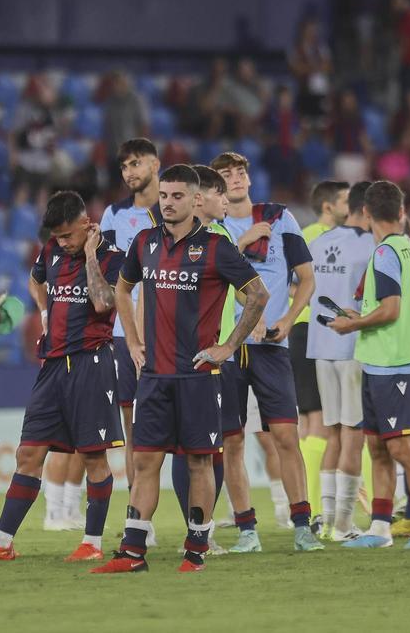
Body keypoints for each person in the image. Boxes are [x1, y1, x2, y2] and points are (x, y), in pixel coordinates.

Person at [91, 164, 268, 574]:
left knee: (199, 464)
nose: (168, 203)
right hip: (153, 375)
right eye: (164, 196)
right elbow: (122, 287)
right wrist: (133, 340)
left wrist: (227, 346)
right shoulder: (144, 242)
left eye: (176, 196)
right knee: (146, 462)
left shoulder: (216, 247)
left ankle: (196, 551)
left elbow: (257, 294)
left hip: (198, 376)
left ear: (196, 200)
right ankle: (132, 553)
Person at [0, 191, 125, 562]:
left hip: (91, 363)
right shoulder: (51, 251)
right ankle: (1, 542)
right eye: (57, 237)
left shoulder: (111, 255)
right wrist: (45, 310)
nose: (62, 243)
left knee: (93, 458)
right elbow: (36, 281)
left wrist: (92, 254)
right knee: (28, 452)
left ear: (86, 224)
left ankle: (92, 544)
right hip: (52, 365)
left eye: (68, 236)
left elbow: (102, 303)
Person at [215, 151, 321, 553]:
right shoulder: (213, 229)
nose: (236, 178)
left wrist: (291, 320)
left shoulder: (280, 218)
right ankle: (247, 531)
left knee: (286, 437)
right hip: (229, 348)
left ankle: (302, 526)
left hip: (273, 347)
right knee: (232, 442)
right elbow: (212, 285)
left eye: (240, 171)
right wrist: (240, 243)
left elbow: (306, 279)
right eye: (226, 174)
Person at [328, 181, 410, 550]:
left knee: (404, 450)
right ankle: (380, 527)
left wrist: (351, 324)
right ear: (403, 212)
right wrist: (356, 314)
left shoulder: (387, 253)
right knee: (377, 448)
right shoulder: (408, 247)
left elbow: (391, 310)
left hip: (395, 363)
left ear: (366, 215)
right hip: (379, 362)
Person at [166, 163, 234, 553]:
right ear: (200, 198)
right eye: (219, 194)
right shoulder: (168, 241)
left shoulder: (220, 239)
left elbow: (246, 292)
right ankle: (198, 532)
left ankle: (202, 530)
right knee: (193, 448)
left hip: (217, 355)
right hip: (189, 357)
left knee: (210, 446)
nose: (224, 201)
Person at [308, 180, 375, 541]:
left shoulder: (319, 242)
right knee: (353, 435)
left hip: (321, 347)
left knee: (332, 433)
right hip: (352, 348)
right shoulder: (371, 245)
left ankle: (328, 518)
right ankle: (344, 525)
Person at [99, 138, 162, 499]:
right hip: (126, 334)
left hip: (171, 330)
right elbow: (111, 279)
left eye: (136, 163)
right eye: (124, 167)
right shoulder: (115, 215)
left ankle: (200, 522)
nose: (129, 172)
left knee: (185, 424)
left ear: (156, 164)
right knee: (131, 424)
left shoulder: (178, 209)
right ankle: (139, 516)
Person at [294, 182, 336, 516]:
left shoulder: (302, 234)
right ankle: (316, 505)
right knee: (321, 420)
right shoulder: (326, 238)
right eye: (345, 202)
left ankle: (305, 501)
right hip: (316, 329)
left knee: (308, 420)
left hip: (297, 330)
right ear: (328, 206)